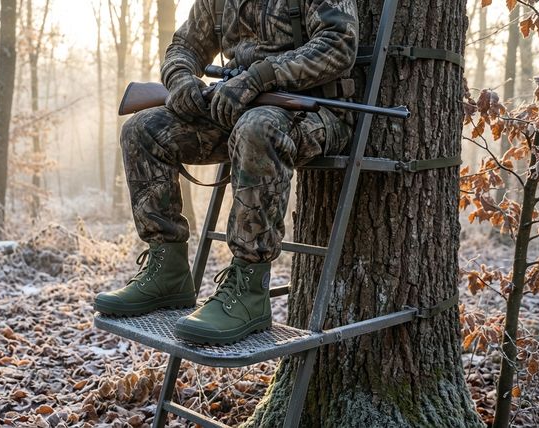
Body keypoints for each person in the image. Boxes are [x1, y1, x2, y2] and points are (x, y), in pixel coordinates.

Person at [95, 0, 359, 345]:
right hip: (236, 107)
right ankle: (167, 274)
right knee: (142, 129)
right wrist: (180, 80)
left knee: (257, 128)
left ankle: (249, 292)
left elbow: (339, 42)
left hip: (316, 110)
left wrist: (259, 77)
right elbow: (184, 46)